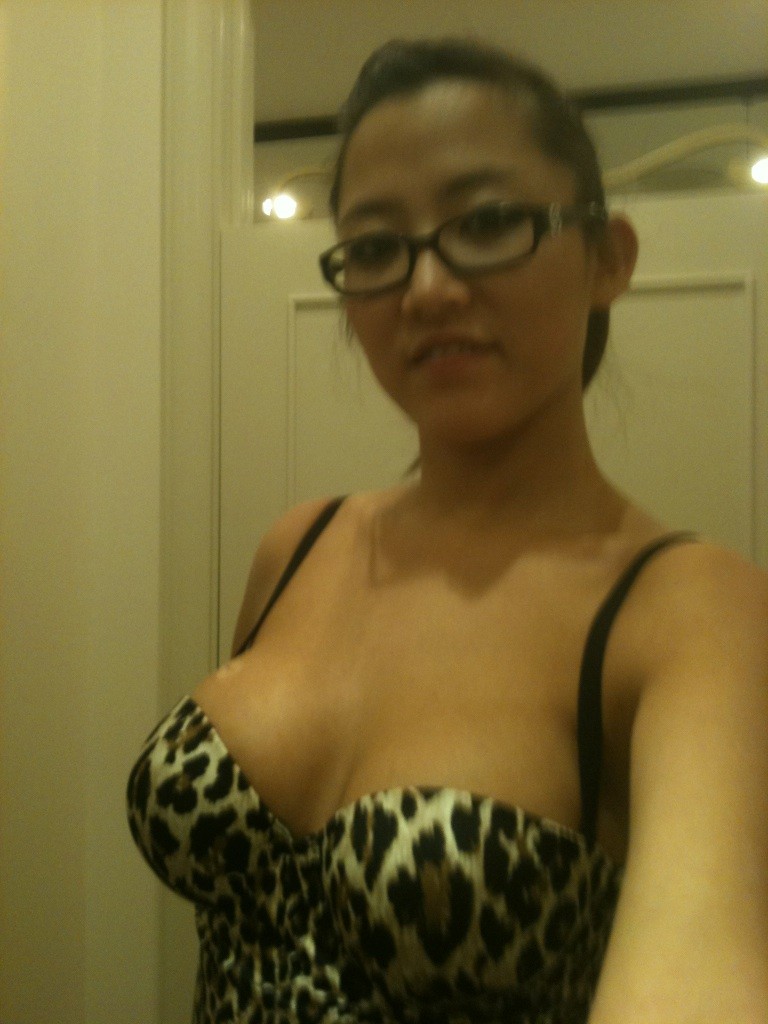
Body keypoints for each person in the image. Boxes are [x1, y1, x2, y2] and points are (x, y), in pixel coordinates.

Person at [127, 37, 768, 1024]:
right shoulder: (297, 547)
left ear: (608, 258)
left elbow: (704, 965)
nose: (425, 288)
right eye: (375, 246)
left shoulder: (694, 611)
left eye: (489, 222)